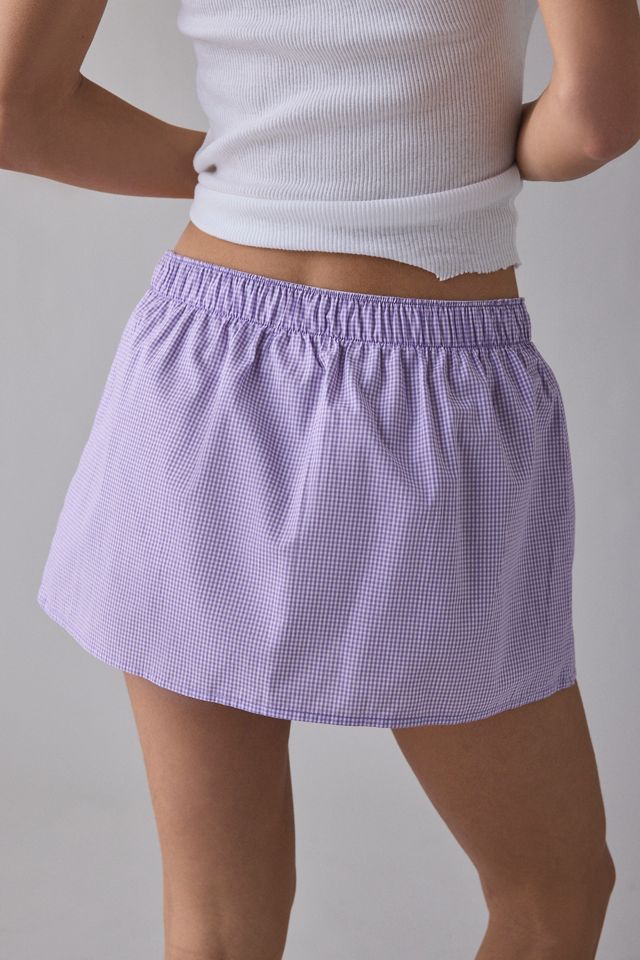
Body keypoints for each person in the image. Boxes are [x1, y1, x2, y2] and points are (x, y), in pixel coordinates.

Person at [3, 0, 638, 957]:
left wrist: (255, 162)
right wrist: (493, 152)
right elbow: (594, 119)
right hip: (429, 388)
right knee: (555, 889)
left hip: (203, 367)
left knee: (219, 925)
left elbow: (15, 108)